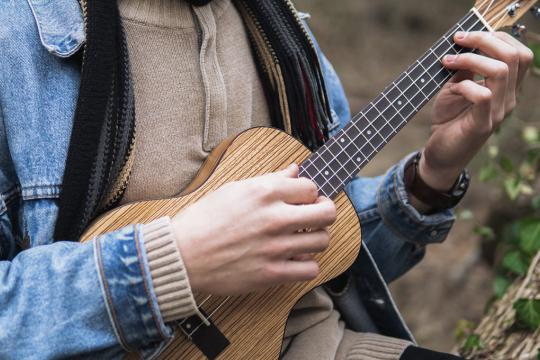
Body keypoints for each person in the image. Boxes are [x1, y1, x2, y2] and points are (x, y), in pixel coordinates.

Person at [0, 0, 533, 359]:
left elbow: (326, 253)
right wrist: (171, 263)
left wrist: (431, 174)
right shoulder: (14, 39)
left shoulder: (280, 31)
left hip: (311, 342)